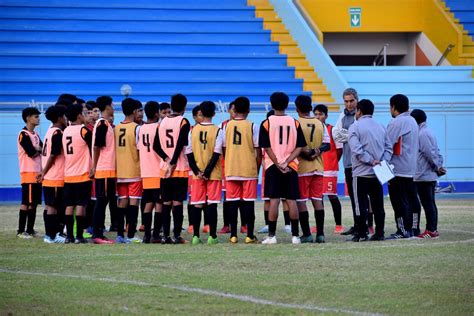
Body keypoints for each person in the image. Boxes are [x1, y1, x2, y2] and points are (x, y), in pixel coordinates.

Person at [259, 92, 307, 244]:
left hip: (273, 165)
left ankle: (272, 236)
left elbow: (266, 147)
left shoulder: (266, 123)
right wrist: (287, 162)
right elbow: (300, 146)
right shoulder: (294, 122)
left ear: (272, 105)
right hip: (291, 165)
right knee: (291, 200)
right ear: (287, 105)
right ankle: (295, 236)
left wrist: (278, 163)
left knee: (274, 200)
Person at [348, 99, 388, 241]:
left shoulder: (355, 126)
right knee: (378, 204)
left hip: (361, 172)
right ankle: (380, 232)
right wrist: (382, 161)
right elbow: (388, 148)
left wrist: (371, 160)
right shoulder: (381, 126)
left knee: (360, 204)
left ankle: (361, 233)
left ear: (359, 111)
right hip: (378, 172)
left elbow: (357, 150)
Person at [223, 97, 261, 244]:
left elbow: (224, 149)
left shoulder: (226, 126)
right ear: (248, 110)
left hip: (232, 168)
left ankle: (233, 235)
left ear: (235, 110)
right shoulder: (252, 126)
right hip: (248, 169)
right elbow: (258, 151)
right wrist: (256, 169)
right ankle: (249, 235)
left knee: (232, 202)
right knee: (248, 203)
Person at [154, 93, 190, 244]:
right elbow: (181, 143)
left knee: (166, 202)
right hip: (179, 167)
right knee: (177, 202)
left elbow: (155, 146)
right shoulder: (183, 121)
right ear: (184, 106)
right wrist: (174, 161)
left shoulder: (162, 122)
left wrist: (166, 159)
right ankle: (176, 236)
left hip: (164, 168)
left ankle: (165, 236)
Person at [186, 101, 223, 245]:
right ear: (214, 113)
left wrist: (197, 171)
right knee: (212, 204)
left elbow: (188, 153)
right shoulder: (218, 130)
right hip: (212, 174)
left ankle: (195, 236)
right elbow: (216, 153)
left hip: (197, 174)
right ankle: (212, 236)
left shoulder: (192, 130)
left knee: (197, 204)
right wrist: (207, 172)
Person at [383, 94, 419, 239]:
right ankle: (413, 229)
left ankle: (402, 230)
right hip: (410, 167)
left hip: (397, 168)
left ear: (393, 107)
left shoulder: (396, 122)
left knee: (398, 202)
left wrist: (382, 164)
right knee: (411, 200)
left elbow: (387, 144)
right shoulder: (412, 120)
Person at [294, 95, 330, 243]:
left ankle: (307, 234)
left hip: (302, 168)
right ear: (310, 107)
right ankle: (320, 234)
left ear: (296, 108)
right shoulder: (320, 123)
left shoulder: (295, 123)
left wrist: (307, 152)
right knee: (317, 200)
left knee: (301, 201)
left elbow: (295, 145)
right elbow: (327, 144)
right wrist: (316, 152)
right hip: (318, 167)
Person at [411, 109, 445, 239]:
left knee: (427, 203)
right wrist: (439, 165)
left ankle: (431, 230)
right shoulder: (428, 131)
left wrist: (437, 167)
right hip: (428, 173)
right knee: (430, 202)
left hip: (424, 174)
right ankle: (433, 229)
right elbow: (436, 151)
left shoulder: (422, 134)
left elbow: (429, 153)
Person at [62, 103, 92, 244]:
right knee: (81, 206)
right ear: (79, 115)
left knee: (69, 206)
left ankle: (69, 236)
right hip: (82, 174)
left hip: (68, 175)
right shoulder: (84, 130)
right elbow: (94, 147)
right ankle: (79, 236)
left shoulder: (65, 131)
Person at [114, 98, 143, 244]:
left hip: (120, 171)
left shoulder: (116, 128)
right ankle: (131, 235)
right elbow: (140, 150)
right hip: (134, 170)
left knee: (122, 202)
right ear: (133, 111)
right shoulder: (137, 128)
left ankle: (120, 234)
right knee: (133, 203)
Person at [332, 88, 360, 236]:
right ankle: (357, 224)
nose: (349, 104)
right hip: (348, 162)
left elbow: (359, 135)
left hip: (360, 162)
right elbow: (336, 135)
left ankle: (366, 225)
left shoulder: (361, 114)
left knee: (363, 197)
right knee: (353, 197)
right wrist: (351, 135)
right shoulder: (343, 115)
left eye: (351, 101)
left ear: (357, 100)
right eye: (346, 101)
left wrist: (347, 135)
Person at [90, 96, 117, 244]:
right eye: (112, 105)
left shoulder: (105, 124)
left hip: (108, 170)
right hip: (104, 169)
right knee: (101, 202)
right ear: (107, 107)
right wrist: (94, 166)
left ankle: (99, 232)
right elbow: (96, 147)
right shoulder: (102, 124)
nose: (114, 107)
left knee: (104, 201)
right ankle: (97, 234)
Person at [314, 104, 344, 234]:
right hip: (317, 168)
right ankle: (318, 226)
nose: (318, 117)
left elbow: (339, 150)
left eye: (320, 114)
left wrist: (332, 162)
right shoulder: (313, 130)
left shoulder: (332, 130)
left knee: (332, 196)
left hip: (330, 169)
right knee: (317, 198)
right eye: (315, 114)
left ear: (326, 116)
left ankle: (338, 225)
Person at [38, 105, 67, 243]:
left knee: (51, 206)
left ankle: (51, 235)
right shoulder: (57, 133)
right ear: (60, 117)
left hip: (50, 177)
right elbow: (54, 154)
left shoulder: (49, 131)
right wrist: (44, 171)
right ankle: (51, 235)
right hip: (55, 176)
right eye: (65, 116)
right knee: (53, 207)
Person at [138, 101, 163, 243]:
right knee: (159, 203)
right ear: (156, 113)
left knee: (148, 203)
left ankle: (147, 234)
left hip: (145, 171)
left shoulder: (141, 129)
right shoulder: (158, 127)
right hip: (157, 170)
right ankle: (155, 235)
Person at [17, 107, 42, 239]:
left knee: (34, 203)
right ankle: (21, 231)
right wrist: (37, 149)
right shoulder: (23, 134)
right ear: (28, 118)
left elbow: (42, 149)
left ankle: (30, 229)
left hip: (37, 173)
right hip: (29, 173)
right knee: (27, 202)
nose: (38, 118)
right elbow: (31, 153)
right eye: (36, 116)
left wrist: (38, 149)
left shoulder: (35, 134)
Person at [187, 105, 204, 234]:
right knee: (193, 198)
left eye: (203, 115)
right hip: (192, 169)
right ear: (194, 117)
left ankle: (207, 224)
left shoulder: (212, 129)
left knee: (207, 198)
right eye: (199, 115)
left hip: (206, 170)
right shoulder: (190, 130)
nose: (202, 117)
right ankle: (192, 224)